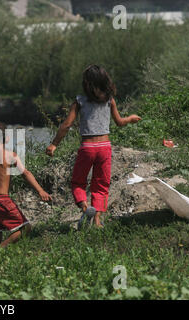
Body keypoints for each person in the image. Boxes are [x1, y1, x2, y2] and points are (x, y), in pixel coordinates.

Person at [45, 64, 141, 228]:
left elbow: (66, 125)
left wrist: (54, 144)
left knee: (78, 182)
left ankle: (84, 207)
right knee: (101, 185)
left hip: (88, 148)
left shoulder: (79, 101)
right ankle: (97, 220)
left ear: (87, 84)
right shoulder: (110, 100)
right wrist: (130, 118)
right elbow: (119, 122)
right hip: (105, 147)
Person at [0, 121, 52, 256]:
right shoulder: (10, 155)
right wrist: (40, 190)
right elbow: (26, 174)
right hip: (2, 199)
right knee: (25, 228)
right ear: (7, 138)